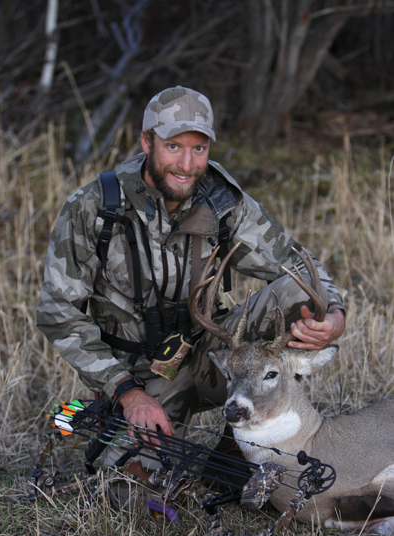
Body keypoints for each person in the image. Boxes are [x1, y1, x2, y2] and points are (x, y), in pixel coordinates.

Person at [37, 86, 345, 469]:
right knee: (130, 489)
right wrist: (126, 391)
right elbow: (56, 311)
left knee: (296, 295)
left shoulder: (223, 201)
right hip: (136, 376)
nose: (186, 164)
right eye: (173, 147)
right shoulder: (96, 208)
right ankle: (130, 434)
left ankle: (242, 446)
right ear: (147, 142)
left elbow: (296, 263)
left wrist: (333, 313)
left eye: (199, 149)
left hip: (214, 357)